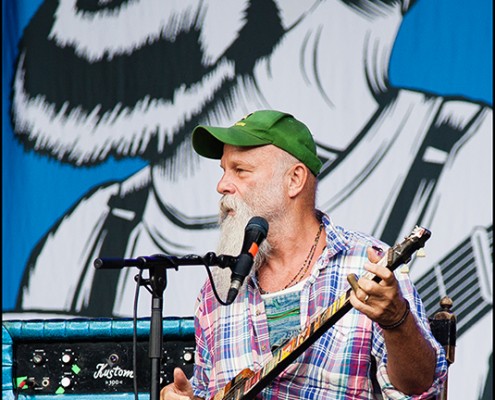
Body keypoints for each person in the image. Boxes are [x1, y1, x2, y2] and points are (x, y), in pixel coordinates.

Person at [160, 110, 448, 399]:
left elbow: (422, 390)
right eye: (223, 170)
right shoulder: (217, 289)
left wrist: (396, 320)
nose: (222, 185)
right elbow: (206, 391)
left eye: (240, 170)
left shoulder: (369, 264)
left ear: (294, 180)